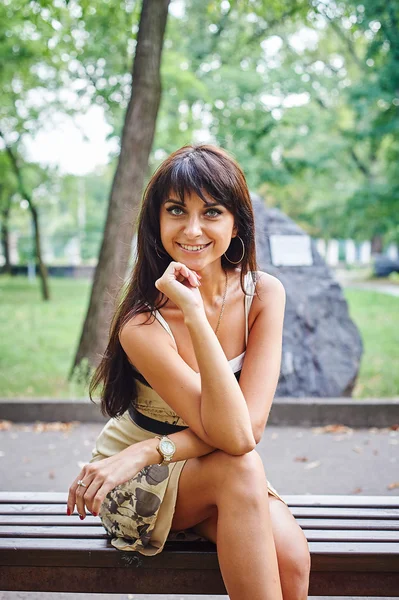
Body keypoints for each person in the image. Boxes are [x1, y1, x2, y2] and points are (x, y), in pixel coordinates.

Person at [67, 144, 310, 600]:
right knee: (242, 472)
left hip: (187, 463)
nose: (192, 229)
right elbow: (237, 441)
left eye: (212, 212)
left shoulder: (264, 295)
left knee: (292, 560)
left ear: (236, 223)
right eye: (176, 210)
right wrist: (194, 314)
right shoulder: (141, 324)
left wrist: (147, 451)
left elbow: (245, 428)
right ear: (156, 222)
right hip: (130, 484)